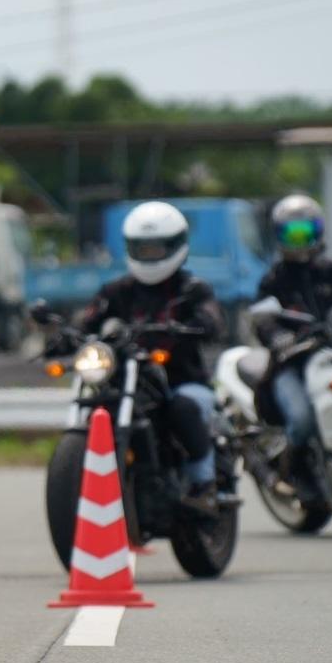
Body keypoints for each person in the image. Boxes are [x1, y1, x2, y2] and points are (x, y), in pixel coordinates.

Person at [77, 201, 224, 516]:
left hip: (182, 381)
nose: (149, 256)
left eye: (157, 249)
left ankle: (204, 485)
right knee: (101, 405)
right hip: (127, 379)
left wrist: (199, 324)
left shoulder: (192, 289)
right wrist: (66, 334)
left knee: (183, 409)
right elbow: (88, 321)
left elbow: (211, 319)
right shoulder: (117, 291)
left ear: (175, 246)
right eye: (142, 249)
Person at [253, 194, 332, 502]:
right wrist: (278, 336)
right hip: (291, 366)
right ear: (279, 235)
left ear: (318, 232)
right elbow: (263, 318)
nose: (299, 240)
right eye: (291, 234)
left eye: (304, 232)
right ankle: (296, 474)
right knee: (303, 419)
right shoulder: (274, 280)